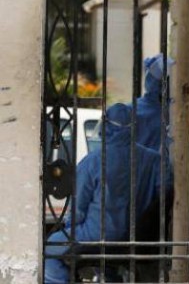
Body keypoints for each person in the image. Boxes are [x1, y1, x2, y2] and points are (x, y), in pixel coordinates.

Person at [44, 103, 163, 283]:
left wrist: (69, 230)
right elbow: (165, 194)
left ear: (106, 126)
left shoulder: (93, 161)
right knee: (109, 266)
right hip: (137, 238)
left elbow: (78, 209)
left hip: (96, 235)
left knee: (50, 248)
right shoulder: (154, 160)